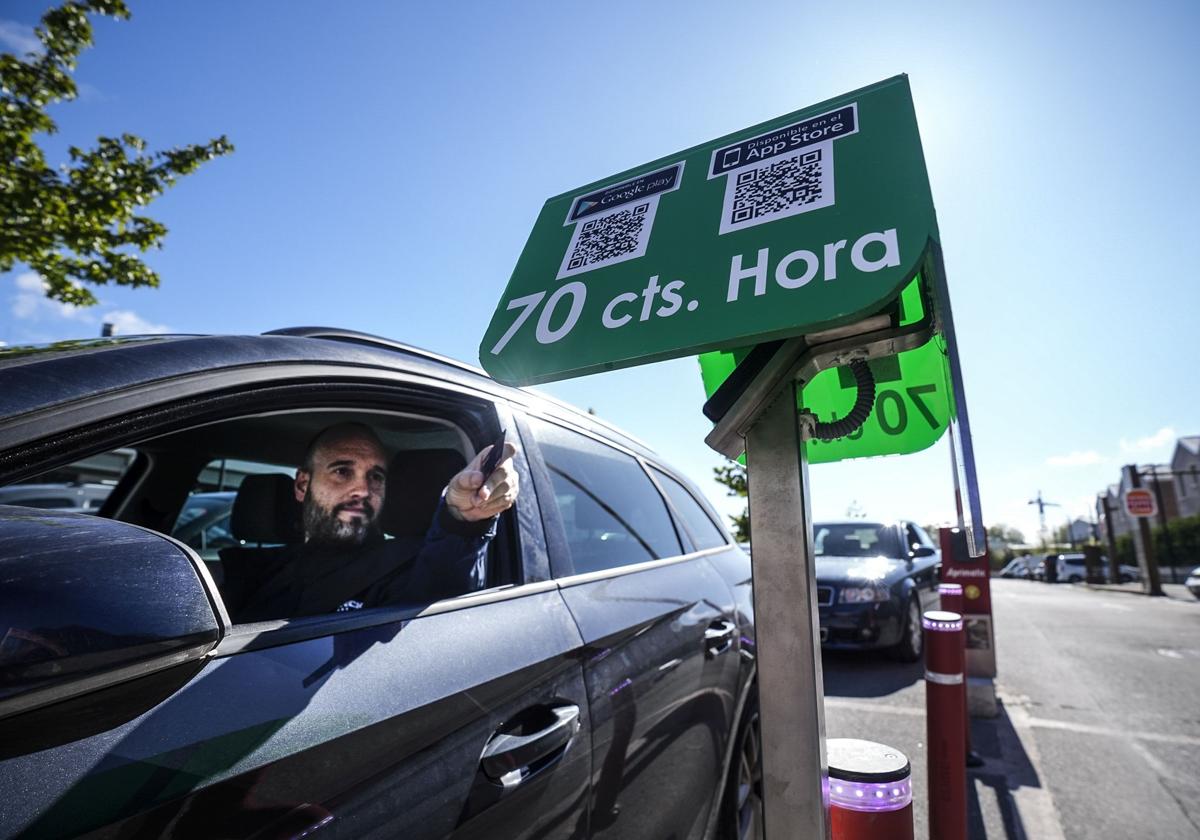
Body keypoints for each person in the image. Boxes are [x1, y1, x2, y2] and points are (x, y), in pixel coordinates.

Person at [224, 422, 518, 622]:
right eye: (342, 471)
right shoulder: (251, 568)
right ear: (302, 485)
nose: (363, 490)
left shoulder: (406, 566)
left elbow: (442, 589)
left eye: (376, 477)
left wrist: (461, 521)